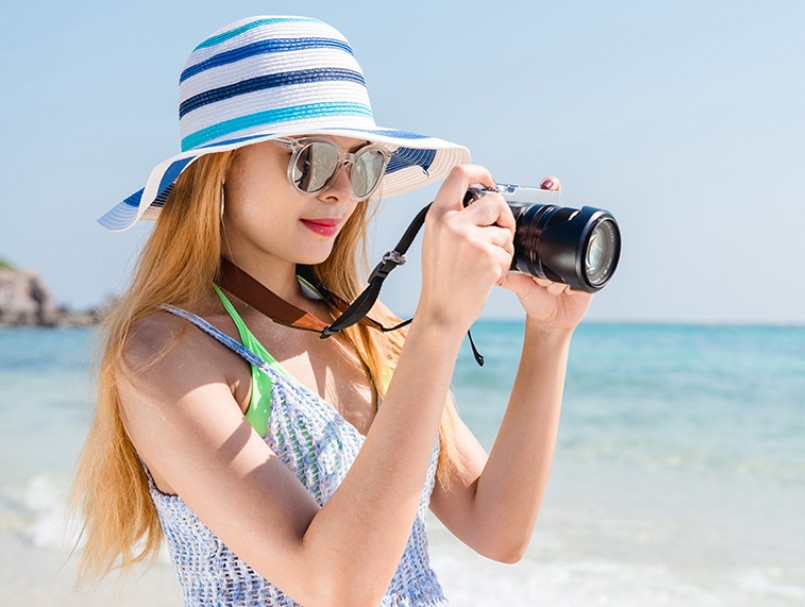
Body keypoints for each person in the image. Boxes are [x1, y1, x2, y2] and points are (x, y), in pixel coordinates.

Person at [72, 15, 592, 606]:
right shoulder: (164, 354)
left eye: (362, 163)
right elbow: (335, 588)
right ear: (219, 170)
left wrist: (550, 335)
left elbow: (497, 530)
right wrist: (440, 323)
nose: (341, 190)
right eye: (311, 160)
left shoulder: (367, 330)